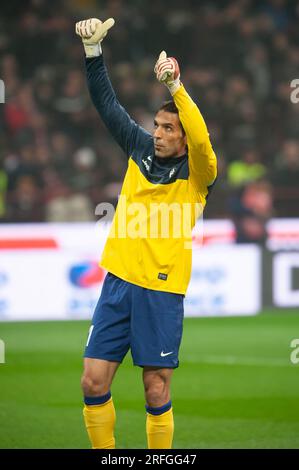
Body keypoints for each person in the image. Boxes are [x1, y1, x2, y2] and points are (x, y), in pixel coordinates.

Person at [76, 17, 217, 449]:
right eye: (157, 125)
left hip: (161, 290)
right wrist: (93, 54)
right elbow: (107, 105)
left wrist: (176, 87)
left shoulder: (199, 173)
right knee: (92, 381)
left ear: (184, 138)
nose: (157, 133)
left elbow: (201, 136)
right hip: (118, 282)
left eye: (168, 128)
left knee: (156, 389)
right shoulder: (139, 147)